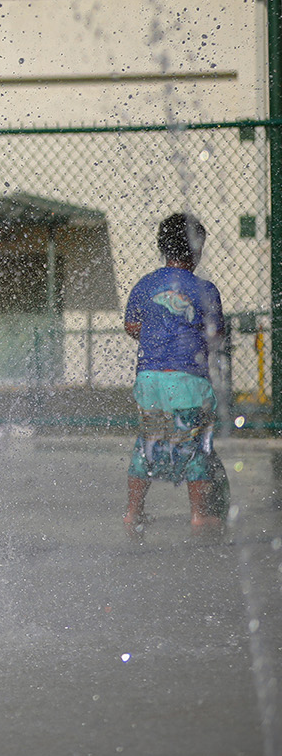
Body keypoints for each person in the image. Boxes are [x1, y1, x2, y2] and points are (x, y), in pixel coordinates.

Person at [123, 213, 229, 541]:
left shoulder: (145, 284)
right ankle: (199, 515)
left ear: (160, 247)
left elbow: (131, 326)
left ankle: (133, 512)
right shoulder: (204, 289)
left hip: (150, 380)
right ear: (196, 251)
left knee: (147, 444)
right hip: (188, 382)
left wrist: (156, 333)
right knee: (196, 446)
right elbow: (216, 334)